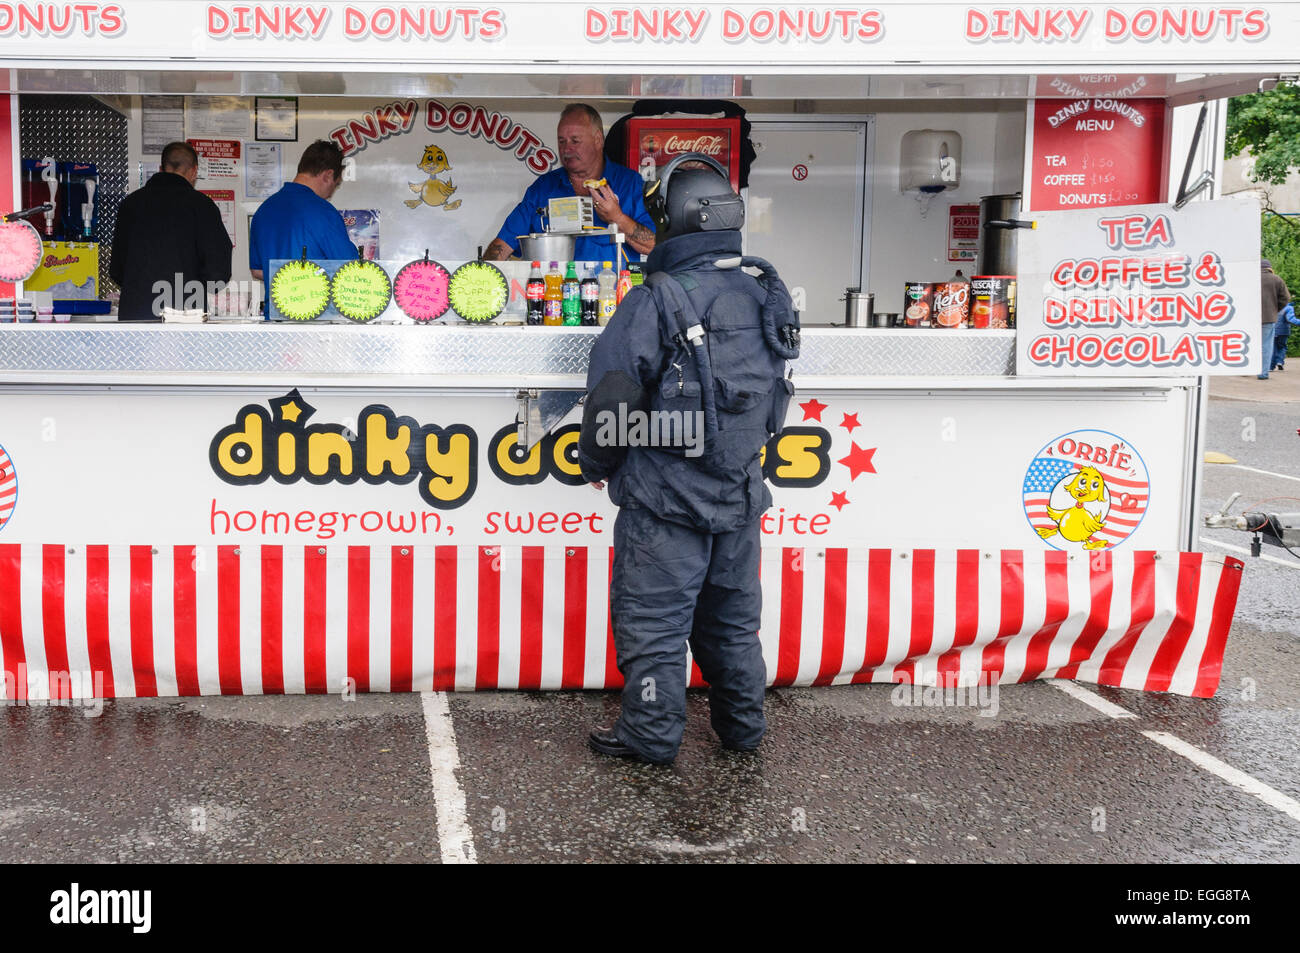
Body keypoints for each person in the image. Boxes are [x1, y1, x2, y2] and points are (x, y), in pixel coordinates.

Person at [578, 153, 800, 765]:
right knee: (731, 624)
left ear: (672, 219)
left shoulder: (657, 298)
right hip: (739, 493)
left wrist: (595, 464)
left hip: (664, 498)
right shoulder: (764, 291)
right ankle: (743, 729)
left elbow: (614, 396)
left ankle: (650, 736)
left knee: (654, 624)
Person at [483, 103, 656, 264]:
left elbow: (653, 246)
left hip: (614, 293)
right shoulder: (543, 188)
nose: (567, 149)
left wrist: (617, 218)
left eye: (575, 141)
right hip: (555, 294)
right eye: (561, 141)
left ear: (598, 140)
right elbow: (502, 245)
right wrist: (479, 280)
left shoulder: (629, 183)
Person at [109, 141, 232, 320]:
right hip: (186, 314)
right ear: (194, 171)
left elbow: (117, 269)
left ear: (161, 168)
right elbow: (218, 270)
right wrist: (194, 288)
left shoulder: (131, 204)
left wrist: (140, 286)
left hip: (136, 314)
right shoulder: (202, 206)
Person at [249, 140, 358, 312]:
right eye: (335, 185)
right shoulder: (324, 212)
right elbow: (350, 268)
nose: (331, 193)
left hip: (276, 320)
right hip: (314, 322)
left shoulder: (263, 210)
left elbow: (257, 271)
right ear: (328, 175)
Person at [1259, 258, 1290, 379]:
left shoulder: (1250, 279)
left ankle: (1246, 369)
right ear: (1269, 268)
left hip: (1250, 319)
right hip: (1268, 317)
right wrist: (1275, 309)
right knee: (1266, 345)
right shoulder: (1277, 279)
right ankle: (1263, 373)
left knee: (1250, 344)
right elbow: (1285, 298)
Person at [1272, 301, 1297, 371]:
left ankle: (1271, 366)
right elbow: (1291, 319)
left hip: (1273, 330)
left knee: (1273, 348)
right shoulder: (1289, 307)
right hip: (1284, 331)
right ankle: (1280, 362)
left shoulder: (1273, 306)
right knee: (1282, 347)